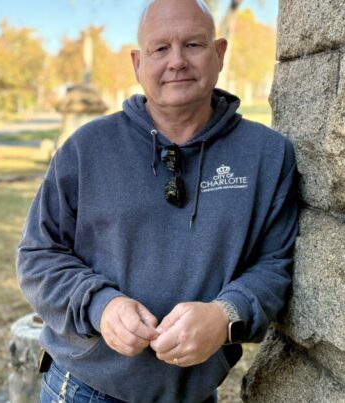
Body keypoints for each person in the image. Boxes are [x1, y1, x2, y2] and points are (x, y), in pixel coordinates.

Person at [16, 0, 299, 402]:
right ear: (138, 63)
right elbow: (38, 255)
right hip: (84, 389)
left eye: (193, 45)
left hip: (194, 393)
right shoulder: (86, 149)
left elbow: (275, 264)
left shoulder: (268, 155)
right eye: (160, 48)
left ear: (219, 53)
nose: (177, 61)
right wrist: (101, 305)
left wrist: (225, 315)